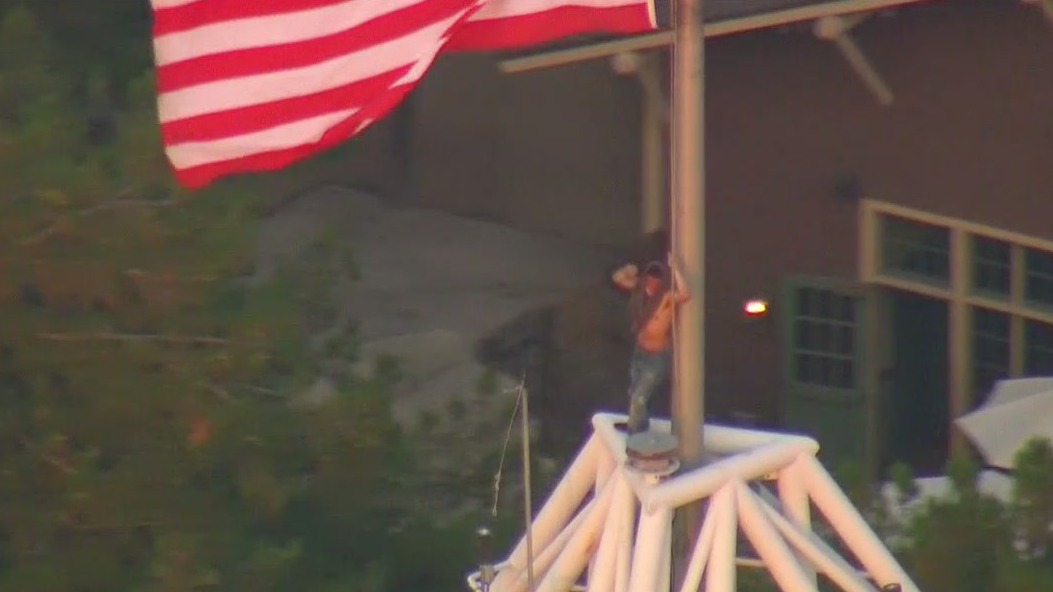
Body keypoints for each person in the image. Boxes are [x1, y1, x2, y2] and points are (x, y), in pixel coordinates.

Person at [610, 255, 690, 434]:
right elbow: (621, 279)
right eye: (650, 281)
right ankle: (639, 424)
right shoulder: (639, 293)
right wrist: (629, 270)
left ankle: (633, 430)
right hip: (641, 352)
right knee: (633, 391)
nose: (652, 285)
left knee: (640, 396)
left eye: (657, 281)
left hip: (657, 355)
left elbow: (685, 294)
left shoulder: (666, 298)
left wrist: (675, 269)